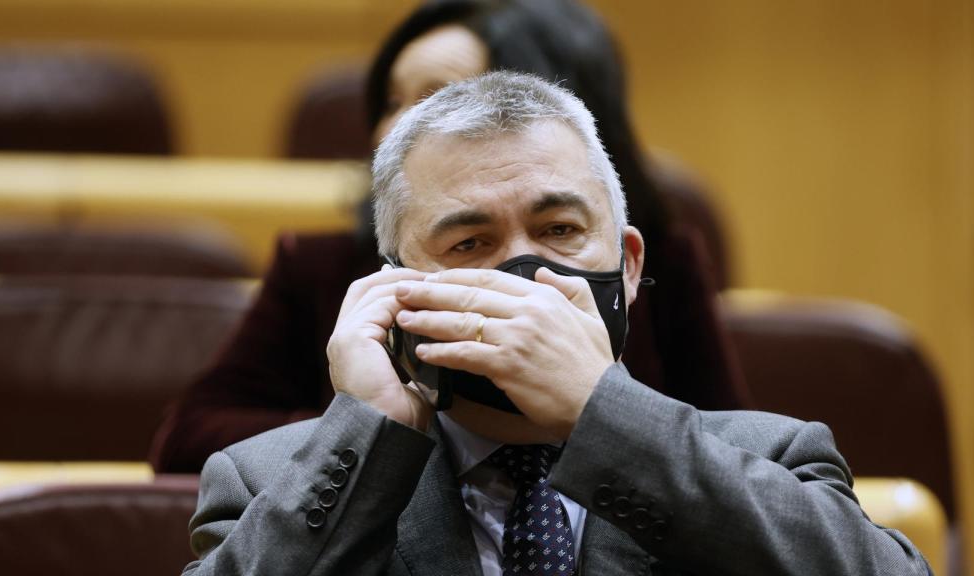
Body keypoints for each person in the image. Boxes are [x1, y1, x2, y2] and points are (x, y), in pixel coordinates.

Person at [183, 72, 930, 576]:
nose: (528, 279)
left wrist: (601, 413)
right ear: (394, 289)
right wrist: (369, 429)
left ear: (629, 268)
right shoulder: (272, 482)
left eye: (561, 231)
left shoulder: (772, 458)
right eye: (470, 243)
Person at [150, 0, 747, 474]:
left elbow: (731, 449)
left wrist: (598, 412)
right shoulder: (328, 268)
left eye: (439, 97)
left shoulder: (649, 263)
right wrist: (396, 425)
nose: (396, 128)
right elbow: (191, 437)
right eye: (391, 101)